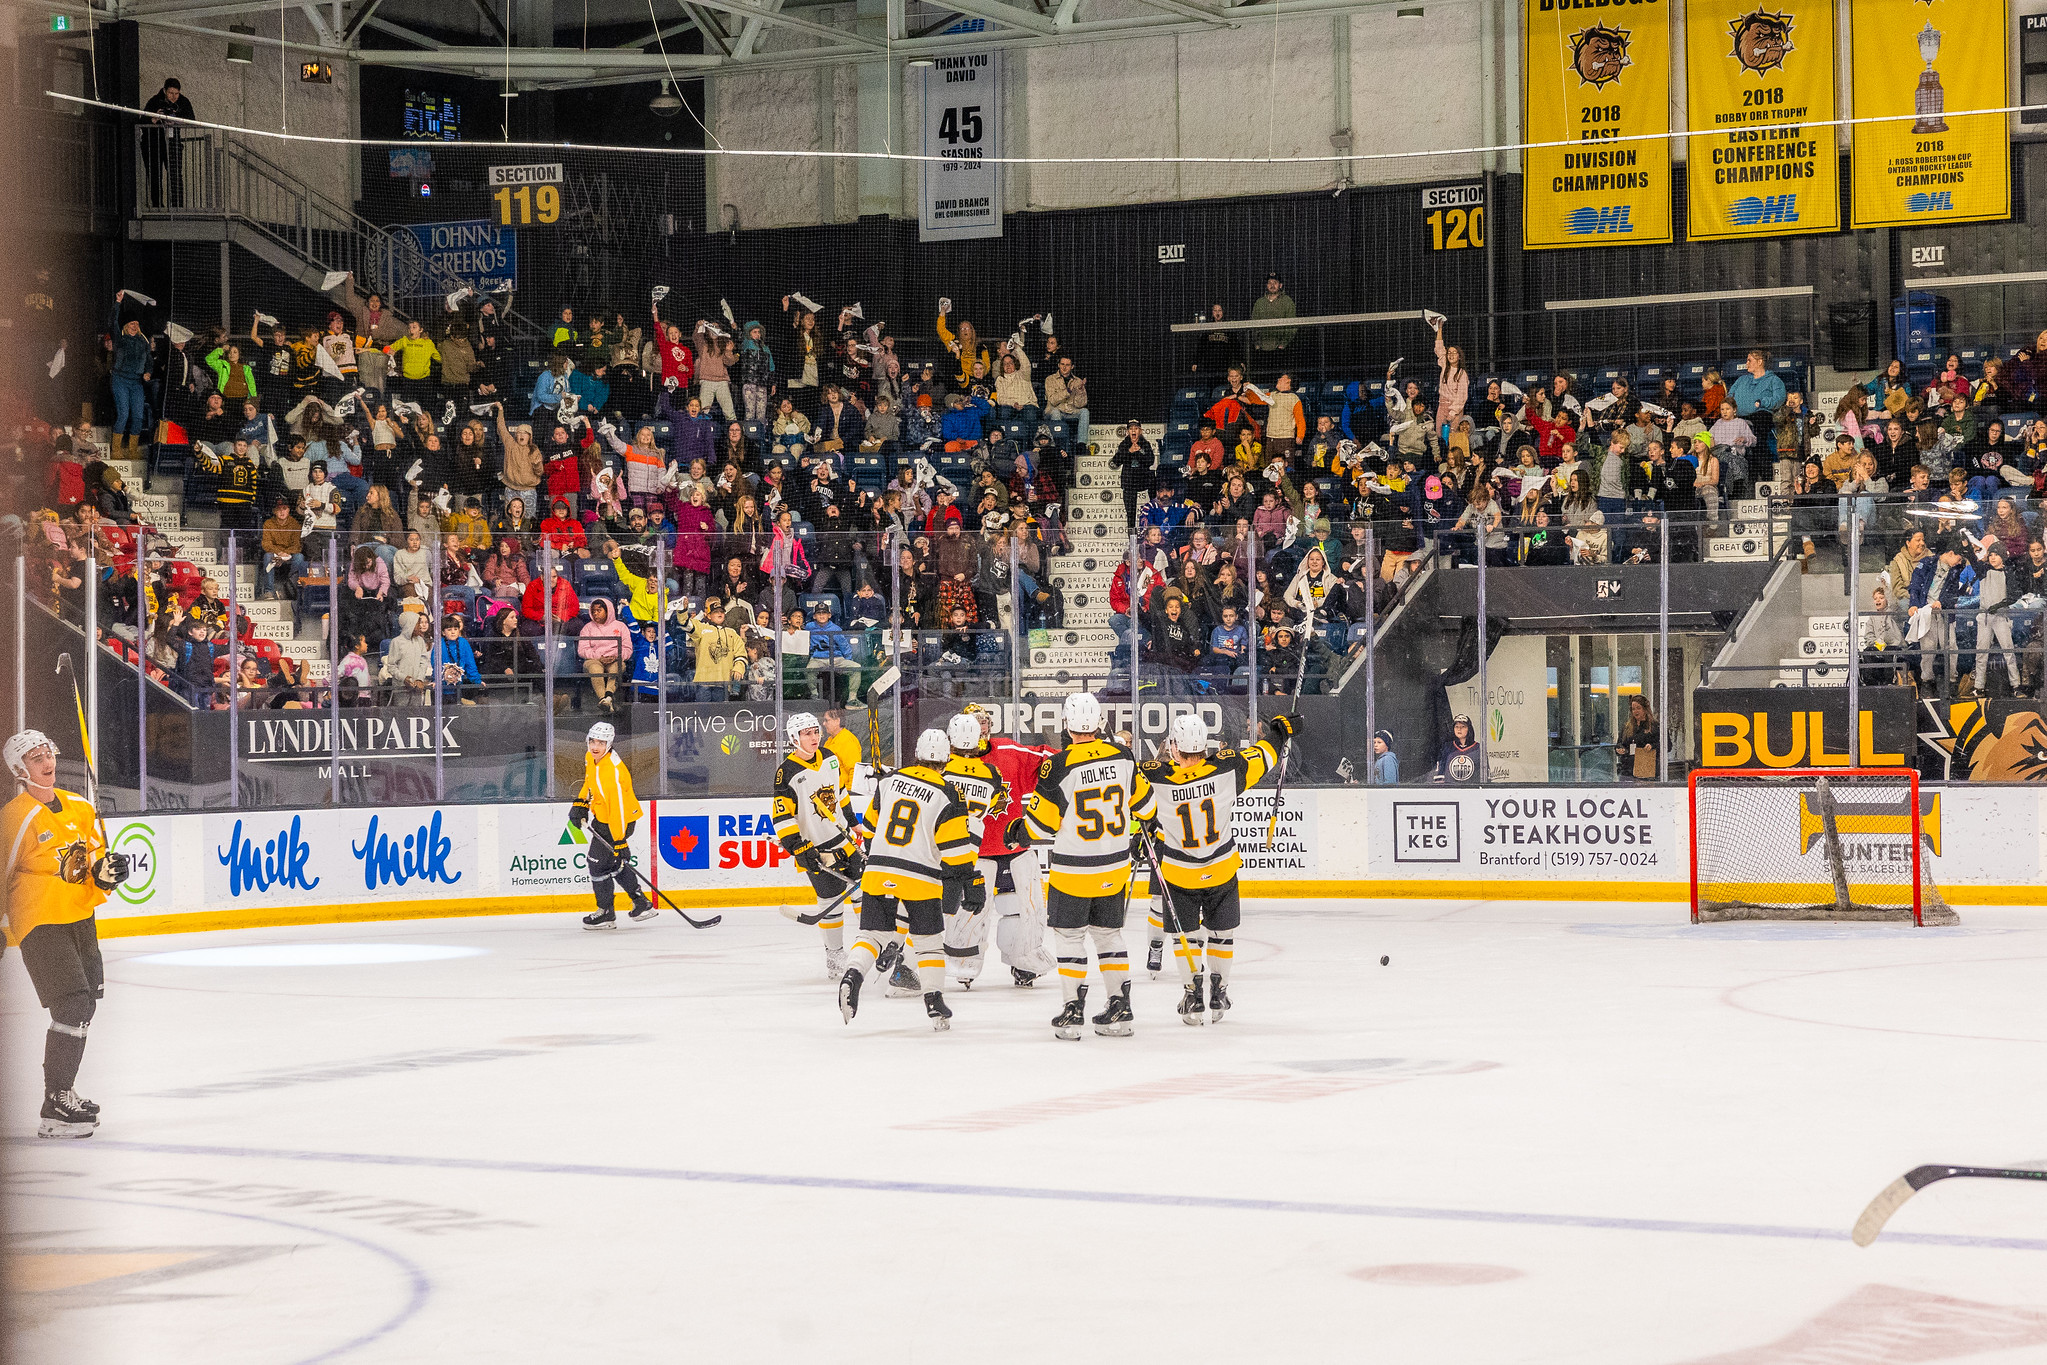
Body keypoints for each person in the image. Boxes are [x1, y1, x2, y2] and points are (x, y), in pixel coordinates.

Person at [3, 730, 131, 1137]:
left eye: (48, 753)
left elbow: (94, 862)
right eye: (35, 757)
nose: (46, 761)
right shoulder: (14, 818)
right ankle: (55, 1101)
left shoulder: (79, 806)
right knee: (72, 1004)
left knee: (85, 1006)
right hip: (40, 920)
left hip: (78, 917)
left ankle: (63, 1093)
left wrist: (108, 876)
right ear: (20, 771)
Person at [1012, 692, 1157, 1040]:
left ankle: (1072, 1009)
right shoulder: (1123, 755)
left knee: (1070, 937)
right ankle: (1119, 1005)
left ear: (1066, 724)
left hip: (1072, 870)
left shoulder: (1058, 764)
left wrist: (1017, 830)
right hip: (1114, 868)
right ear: (1100, 723)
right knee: (1109, 936)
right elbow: (1148, 807)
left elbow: (1041, 827)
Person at [1137, 711, 1294, 1024]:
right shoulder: (1227, 768)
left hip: (1180, 873)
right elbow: (1264, 754)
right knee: (1222, 934)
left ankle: (1192, 992)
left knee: (1187, 937)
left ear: (1173, 747)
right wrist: (1280, 731)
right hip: (1221, 869)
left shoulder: (1154, 777)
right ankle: (1219, 991)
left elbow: (1126, 790)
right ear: (1204, 746)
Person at [838, 729, 977, 1031]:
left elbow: (871, 828)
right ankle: (934, 1003)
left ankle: (852, 975)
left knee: (873, 935)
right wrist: (970, 881)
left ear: (916, 753)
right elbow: (956, 854)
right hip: (921, 878)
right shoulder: (948, 793)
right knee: (928, 944)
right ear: (946, 759)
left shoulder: (889, 781)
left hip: (879, 871)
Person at [938, 704, 1057, 989]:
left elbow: (1050, 760)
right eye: (974, 722)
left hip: (1013, 846)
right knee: (969, 911)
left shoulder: (1008, 751)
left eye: (984, 721)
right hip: (972, 853)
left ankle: (1023, 961)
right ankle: (963, 962)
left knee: (1020, 910)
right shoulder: (944, 764)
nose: (981, 726)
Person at [773, 712, 862, 980]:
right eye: (807, 733)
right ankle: (835, 955)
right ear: (794, 738)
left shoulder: (830, 758)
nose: (814, 737)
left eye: (815, 732)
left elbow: (841, 794)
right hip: (818, 849)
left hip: (845, 842)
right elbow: (782, 816)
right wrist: (799, 849)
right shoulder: (786, 772)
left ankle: (874, 943)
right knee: (831, 903)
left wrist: (854, 822)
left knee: (863, 894)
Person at [568, 722, 657, 930]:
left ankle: (606, 913)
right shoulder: (591, 757)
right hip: (604, 818)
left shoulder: (613, 772)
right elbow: (589, 782)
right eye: (592, 741)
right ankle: (641, 903)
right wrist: (581, 804)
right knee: (611, 864)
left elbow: (617, 810)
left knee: (596, 863)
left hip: (619, 822)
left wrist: (619, 841)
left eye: (601, 742)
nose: (595, 746)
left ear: (609, 744)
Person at [141, 77, 195, 208]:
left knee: (176, 175)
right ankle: (157, 205)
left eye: (176, 93)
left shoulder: (183, 101)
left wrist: (178, 120)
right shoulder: (155, 101)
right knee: (155, 175)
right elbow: (142, 121)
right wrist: (154, 119)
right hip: (153, 144)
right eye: (171, 93)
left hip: (173, 143)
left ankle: (178, 206)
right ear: (164, 90)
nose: (174, 97)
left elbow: (192, 119)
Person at [1250, 273, 1297, 366]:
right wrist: (1257, 344)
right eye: (1269, 283)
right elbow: (1253, 326)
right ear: (1266, 285)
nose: (1272, 285)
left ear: (1280, 285)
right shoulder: (1259, 303)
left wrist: (1283, 344)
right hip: (1262, 351)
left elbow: (1293, 326)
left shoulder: (1287, 301)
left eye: (1275, 282)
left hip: (1281, 351)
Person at [1616, 696, 1660, 783]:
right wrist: (1620, 749)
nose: (1635, 711)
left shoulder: (1655, 726)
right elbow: (1620, 743)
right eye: (1633, 709)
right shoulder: (1627, 726)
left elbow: (1667, 746)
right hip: (1627, 771)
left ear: (1645, 709)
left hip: (1647, 771)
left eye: (1638, 708)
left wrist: (1653, 746)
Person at [1435, 713, 1479, 782]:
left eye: (1463, 726)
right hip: (1451, 789)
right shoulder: (1447, 747)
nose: (1459, 729)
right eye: (1456, 726)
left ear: (1469, 729)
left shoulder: (1478, 748)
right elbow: (1441, 771)